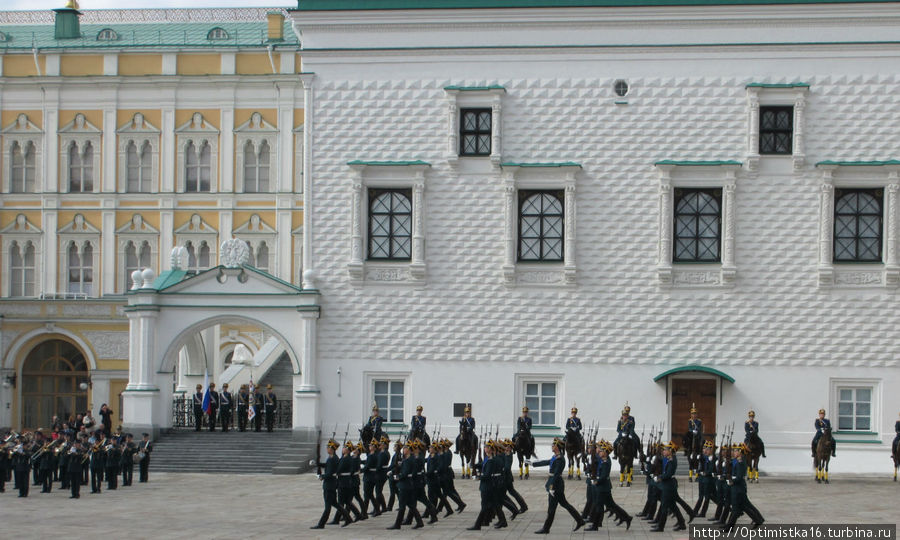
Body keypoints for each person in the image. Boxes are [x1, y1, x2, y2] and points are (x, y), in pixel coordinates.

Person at [530, 437, 585, 534]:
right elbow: (547, 462)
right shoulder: (555, 457)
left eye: (553, 445)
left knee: (552, 508)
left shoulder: (560, 459)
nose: (551, 446)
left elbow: (556, 475)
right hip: (556, 484)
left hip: (556, 485)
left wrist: (551, 487)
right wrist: (533, 464)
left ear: (557, 447)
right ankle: (580, 520)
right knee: (565, 504)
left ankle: (546, 528)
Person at [587, 440, 632, 530]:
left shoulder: (606, 462)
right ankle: (627, 517)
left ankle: (595, 526)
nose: (598, 452)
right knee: (612, 505)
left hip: (602, 488)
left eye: (600, 450)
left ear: (605, 452)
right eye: (598, 450)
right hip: (604, 487)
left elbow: (603, 476)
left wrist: (596, 481)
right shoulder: (604, 460)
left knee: (599, 506)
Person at [722, 443, 765, 531]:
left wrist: (731, 481)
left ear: (740, 452)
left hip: (738, 489)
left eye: (735, 451)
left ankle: (729, 528)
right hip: (737, 488)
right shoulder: (737, 461)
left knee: (737, 508)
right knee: (742, 507)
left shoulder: (740, 463)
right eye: (733, 450)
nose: (734, 452)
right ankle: (758, 520)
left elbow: (739, 477)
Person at [467, 439, 506, 530]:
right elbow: (483, 465)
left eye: (487, 447)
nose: (485, 448)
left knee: (485, 506)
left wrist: (477, 477)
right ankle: (503, 521)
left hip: (488, 486)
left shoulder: (492, 460)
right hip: (490, 486)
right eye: (485, 447)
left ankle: (478, 525)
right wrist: (475, 465)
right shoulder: (488, 459)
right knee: (495, 504)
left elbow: (487, 475)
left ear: (491, 449)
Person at [312, 439, 352, 529]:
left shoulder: (332, 459)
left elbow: (329, 472)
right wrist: (318, 464)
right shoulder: (333, 458)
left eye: (328, 447)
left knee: (327, 506)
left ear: (332, 449)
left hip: (329, 484)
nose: (327, 448)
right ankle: (348, 518)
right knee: (336, 504)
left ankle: (321, 524)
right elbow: (327, 466)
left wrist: (322, 476)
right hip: (332, 484)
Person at [388, 440, 425, 530]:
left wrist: (394, 477)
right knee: (411, 505)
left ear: (408, 450)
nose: (403, 450)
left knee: (402, 506)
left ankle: (397, 524)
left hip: (405, 485)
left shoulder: (409, 460)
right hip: (408, 485)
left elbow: (403, 474)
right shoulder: (408, 459)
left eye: (405, 448)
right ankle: (419, 522)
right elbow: (399, 468)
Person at [693, 439, 716, 518]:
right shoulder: (702, 457)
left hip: (708, 480)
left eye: (707, 449)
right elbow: (699, 466)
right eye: (704, 449)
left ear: (711, 450)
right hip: (702, 479)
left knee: (707, 497)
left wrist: (706, 473)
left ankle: (703, 513)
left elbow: (712, 469)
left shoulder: (713, 458)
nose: (705, 451)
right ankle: (695, 511)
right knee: (700, 496)